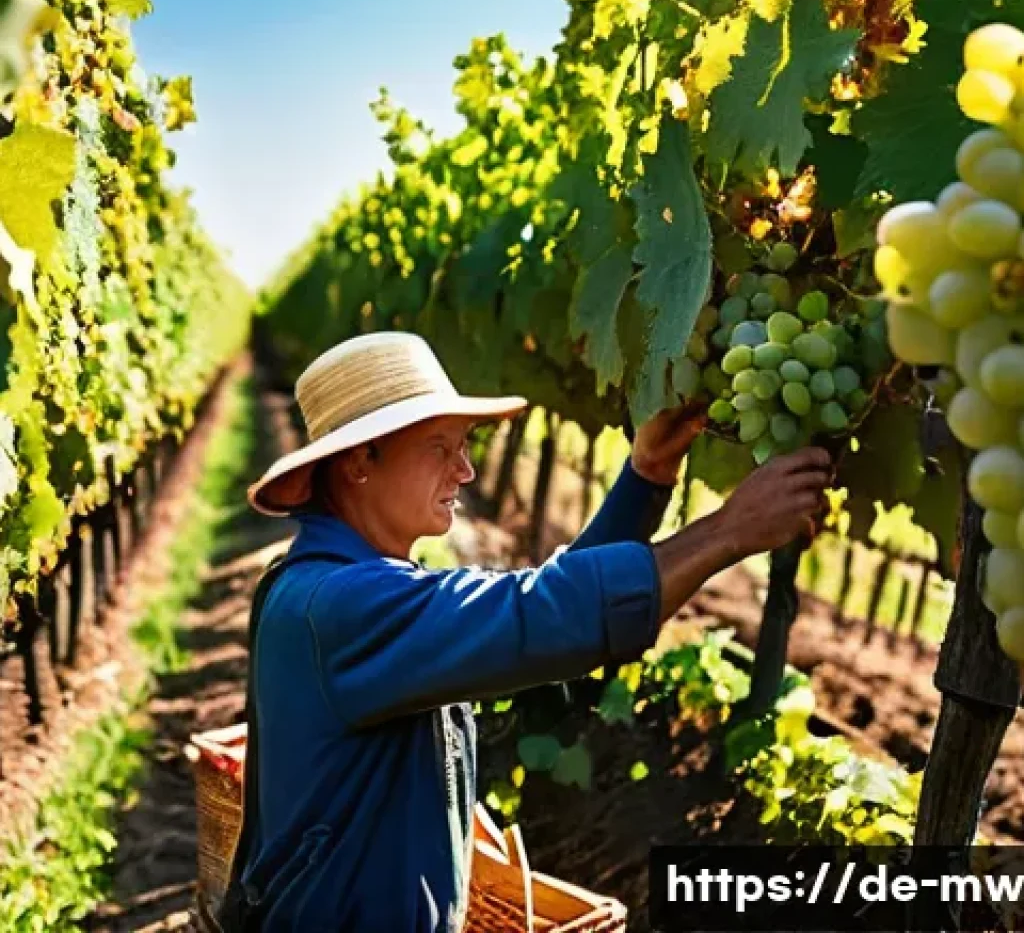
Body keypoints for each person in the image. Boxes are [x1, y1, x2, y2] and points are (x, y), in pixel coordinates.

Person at [239, 331, 831, 932]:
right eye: (439, 447)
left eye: (464, 446)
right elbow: (536, 614)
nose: (465, 469)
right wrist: (726, 532)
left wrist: (647, 476)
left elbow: (527, 618)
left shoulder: (351, 587)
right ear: (359, 461)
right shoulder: (340, 606)